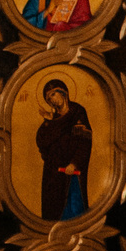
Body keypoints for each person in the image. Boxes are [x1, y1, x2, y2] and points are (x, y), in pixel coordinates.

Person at [34, 77, 90, 220]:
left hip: (71, 172)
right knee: (53, 209)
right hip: (53, 172)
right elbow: (41, 140)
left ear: (63, 92)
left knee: (73, 208)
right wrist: (50, 122)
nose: (51, 100)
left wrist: (74, 163)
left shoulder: (77, 112)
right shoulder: (52, 120)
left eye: (53, 94)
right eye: (48, 99)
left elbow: (84, 142)